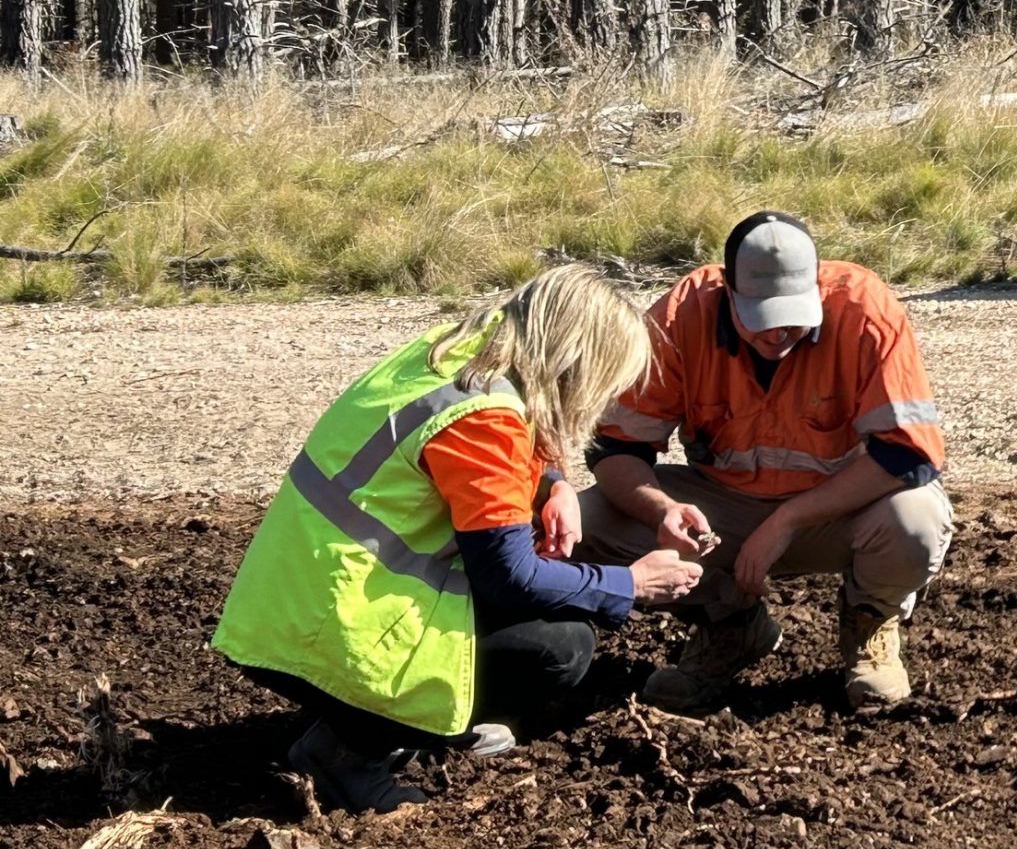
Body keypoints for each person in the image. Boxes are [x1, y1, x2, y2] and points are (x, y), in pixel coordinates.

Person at [212, 266, 703, 813]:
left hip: (287, 605)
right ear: (577, 365)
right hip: (327, 630)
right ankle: (349, 750)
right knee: (560, 648)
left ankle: (396, 719)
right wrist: (630, 583)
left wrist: (555, 480)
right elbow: (509, 579)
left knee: (538, 604)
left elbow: (515, 427)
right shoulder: (485, 421)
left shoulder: (464, 350)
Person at [578, 211, 954, 713]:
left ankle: (871, 624)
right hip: (721, 512)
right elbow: (616, 448)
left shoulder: (865, 308)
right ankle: (731, 624)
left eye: (794, 315)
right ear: (727, 293)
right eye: (761, 318)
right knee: (581, 526)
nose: (779, 333)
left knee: (918, 518)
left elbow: (910, 453)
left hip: (834, 511)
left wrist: (787, 519)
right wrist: (660, 510)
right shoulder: (681, 316)